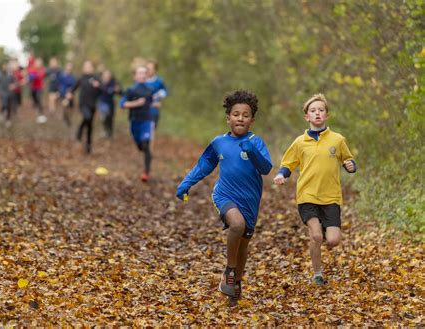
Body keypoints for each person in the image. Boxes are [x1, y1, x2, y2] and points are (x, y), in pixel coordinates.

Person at [176, 90, 272, 305]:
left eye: (245, 115)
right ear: (228, 117)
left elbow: (266, 168)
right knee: (236, 225)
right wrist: (186, 184)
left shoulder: (256, 142)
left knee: (244, 245)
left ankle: (236, 282)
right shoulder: (219, 143)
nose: (240, 118)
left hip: (250, 200)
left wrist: (252, 152)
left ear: (252, 120)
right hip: (224, 194)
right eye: (236, 114)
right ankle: (229, 270)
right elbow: (204, 165)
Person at [273, 93, 356, 286]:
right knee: (316, 235)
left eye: (321, 110)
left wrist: (350, 165)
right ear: (307, 117)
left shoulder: (337, 139)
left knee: (333, 240)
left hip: (331, 197)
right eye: (313, 111)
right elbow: (289, 163)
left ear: (326, 115)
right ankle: (317, 273)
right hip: (307, 195)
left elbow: (348, 159)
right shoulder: (300, 142)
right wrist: (281, 175)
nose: (317, 113)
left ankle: (325, 227)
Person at [120, 65, 154, 182]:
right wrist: (136, 103)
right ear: (135, 76)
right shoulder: (131, 90)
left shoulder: (150, 91)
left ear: (147, 75)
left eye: (144, 73)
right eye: (140, 73)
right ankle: (146, 153)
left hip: (146, 121)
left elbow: (151, 104)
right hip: (134, 121)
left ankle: (146, 172)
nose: (142, 75)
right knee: (140, 146)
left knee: (146, 144)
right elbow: (122, 104)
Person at [66, 60, 101, 154]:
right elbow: (73, 88)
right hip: (83, 104)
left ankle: (88, 147)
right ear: (83, 68)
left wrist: (98, 86)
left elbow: (102, 91)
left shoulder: (96, 78)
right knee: (87, 117)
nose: (87, 68)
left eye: (89, 66)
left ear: (92, 68)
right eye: (86, 66)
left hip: (93, 104)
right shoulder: (81, 78)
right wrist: (69, 94)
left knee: (90, 126)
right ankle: (79, 132)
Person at [98, 69, 122, 138]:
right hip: (102, 103)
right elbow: (101, 91)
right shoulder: (100, 82)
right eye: (105, 74)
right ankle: (105, 130)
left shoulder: (113, 82)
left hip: (111, 103)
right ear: (103, 76)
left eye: (108, 74)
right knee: (104, 117)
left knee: (110, 119)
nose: (107, 76)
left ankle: (110, 133)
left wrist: (118, 90)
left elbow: (120, 92)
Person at [146, 60, 168, 130]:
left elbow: (165, 91)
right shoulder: (142, 80)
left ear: (155, 70)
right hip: (142, 112)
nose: (148, 71)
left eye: (150, 69)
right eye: (147, 68)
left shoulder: (159, 81)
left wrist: (160, 94)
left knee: (151, 132)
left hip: (154, 111)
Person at [0, 61, 16, 127]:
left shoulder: (10, 74)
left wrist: (13, 85)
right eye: (3, 66)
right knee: (4, 104)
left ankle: (8, 120)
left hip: (9, 92)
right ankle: (1, 115)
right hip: (2, 92)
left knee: (9, 106)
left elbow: (15, 82)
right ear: (1, 67)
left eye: (5, 66)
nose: (4, 67)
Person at [27, 57, 47, 123]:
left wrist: (33, 76)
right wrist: (31, 76)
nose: (38, 64)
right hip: (33, 88)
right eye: (37, 62)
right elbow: (30, 77)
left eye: (40, 63)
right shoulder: (32, 69)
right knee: (34, 99)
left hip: (39, 88)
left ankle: (41, 113)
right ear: (35, 63)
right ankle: (36, 108)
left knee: (39, 98)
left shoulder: (43, 69)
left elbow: (42, 75)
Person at [58, 62, 76, 127]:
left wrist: (71, 93)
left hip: (70, 95)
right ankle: (65, 119)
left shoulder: (73, 77)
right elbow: (60, 85)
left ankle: (67, 119)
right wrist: (62, 93)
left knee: (71, 109)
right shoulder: (62, 76)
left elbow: (74, 86)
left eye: (71, 67)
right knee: (64, 106)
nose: (69, 68)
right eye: (68, 66)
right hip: (63, 95)